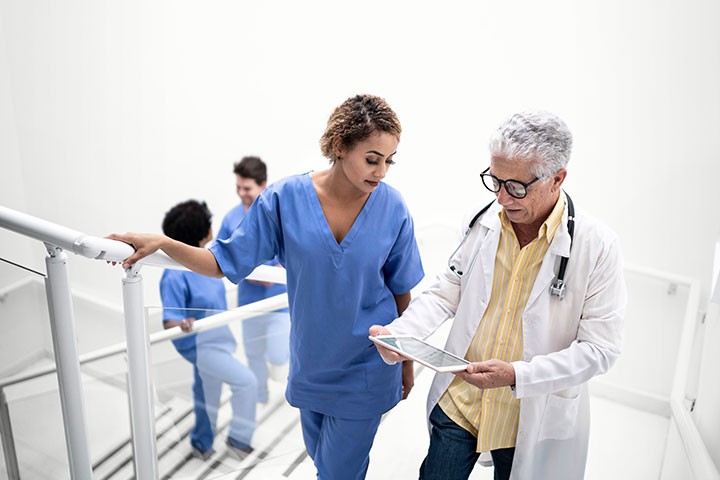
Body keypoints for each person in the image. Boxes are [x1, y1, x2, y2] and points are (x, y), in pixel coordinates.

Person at [109, 94, 424, 479]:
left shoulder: (393, 208)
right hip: (312, 364)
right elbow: (223, 262)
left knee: (339, 472)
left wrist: (405, 361)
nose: (381, 172)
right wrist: (165, 244)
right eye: (372, 159)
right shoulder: (283, 199)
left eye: (388, 161)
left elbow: (401, 292)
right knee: (325, 464)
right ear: (340, 147)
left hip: (369, 366)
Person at [370, 110, 626, 480]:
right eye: (495, 181)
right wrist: (402, 335)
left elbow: (601, 349)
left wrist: (517, 375)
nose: (503, 198)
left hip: (527, 410)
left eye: (517, 186)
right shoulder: (481, 222)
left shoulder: (597, 247)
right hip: (462, 398)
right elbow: (447, 291)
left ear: (557, 179)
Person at [159, 200, 257, 460]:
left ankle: (201, 443)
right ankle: (238, 440)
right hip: (200, 345)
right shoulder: (174, 273)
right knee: (246, 382)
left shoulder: (208, 259)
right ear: (202, 234)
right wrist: (182, 324)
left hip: (219, 340)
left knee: (206, 391)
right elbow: (170, 319)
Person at [217, 156, 290, 404]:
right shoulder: (231, 219)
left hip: (280, 302)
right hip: (249, 301)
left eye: (246, 188)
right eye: (238, 187)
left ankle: (279, 381)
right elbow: (220, 258)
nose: (241, 193)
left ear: (263, 185)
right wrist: (250, 274)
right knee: (254, 354)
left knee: (279, 353)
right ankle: (260, 397)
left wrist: (277, 270)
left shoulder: (281, 214)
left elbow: (298, 249)